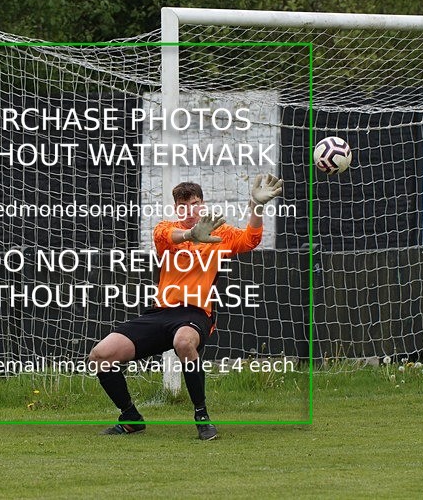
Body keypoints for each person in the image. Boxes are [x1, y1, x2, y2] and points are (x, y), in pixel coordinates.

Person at [89, 173, 283, 440]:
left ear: (201, 204)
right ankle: (131, 417)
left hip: (195, 313)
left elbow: (251, 239)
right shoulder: (164, 229)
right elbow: (171, 236)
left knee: (183, 342)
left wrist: (257, 207)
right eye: (182, 206)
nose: (189, 210)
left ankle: (202, 416)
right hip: (161, 313)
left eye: (193, 204)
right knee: (100, 355)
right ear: (175, 209)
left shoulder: (221, 233)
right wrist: (192, 234)